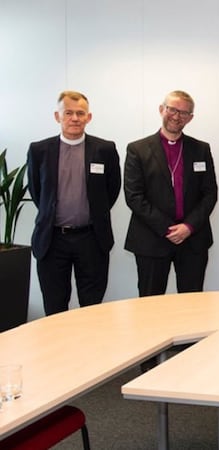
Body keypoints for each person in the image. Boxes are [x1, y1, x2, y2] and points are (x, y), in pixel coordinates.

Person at [27, 90, 121, 315]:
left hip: (91, 239)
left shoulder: (105, 149)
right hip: (52, 240)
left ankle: (89, 349)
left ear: (89, 117)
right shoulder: (39, 150)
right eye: (68, 112)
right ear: (57, 116)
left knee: (91, 306)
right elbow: (37, 191)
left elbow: (112, 189)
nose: (75, 118)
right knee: (55, 305)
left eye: (80, 113)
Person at [124, 90, 218, 297]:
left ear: (190, 118)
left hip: (192, 239)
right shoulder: (137, 149)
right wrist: (168, 228)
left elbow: (210, 193)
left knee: (192, 302)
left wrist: (188, 226)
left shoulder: (201, 149)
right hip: (151, 239)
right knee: (150, 303)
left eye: (184, 113)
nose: (177, 116)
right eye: (172, 109)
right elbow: (134, 196)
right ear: (161, 110)